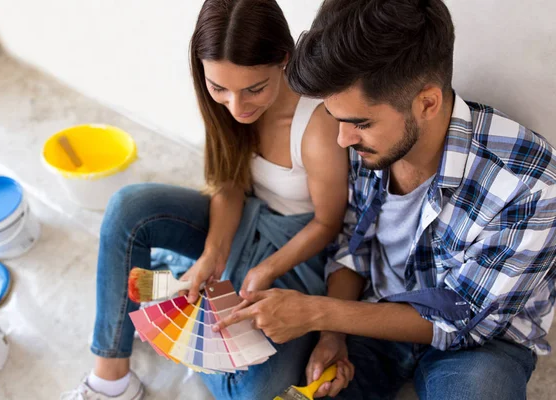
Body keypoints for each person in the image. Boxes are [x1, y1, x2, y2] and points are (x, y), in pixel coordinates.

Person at [214, 0, 556, 398]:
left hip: (481, 345)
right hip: (372, 312)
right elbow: (353, 244)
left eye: (360, 123)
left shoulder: (530, 185)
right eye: (337, 119)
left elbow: (463, 320)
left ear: (427, 102)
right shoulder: (370, 142)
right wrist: (332, 334)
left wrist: (318, 312)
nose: (342, 140)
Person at [61, 0, 349, 399]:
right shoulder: (228, 107)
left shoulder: (316, 125)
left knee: (252, 387)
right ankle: (110, 377)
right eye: (219, 89)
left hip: (295, 250)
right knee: (128, 207)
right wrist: (214, 253)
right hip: (240, 219)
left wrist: (263, 271)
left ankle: (151, 315)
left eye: (254, 89)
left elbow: (328, 224)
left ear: (283, 59)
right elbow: (229, 182)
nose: (236, 106)